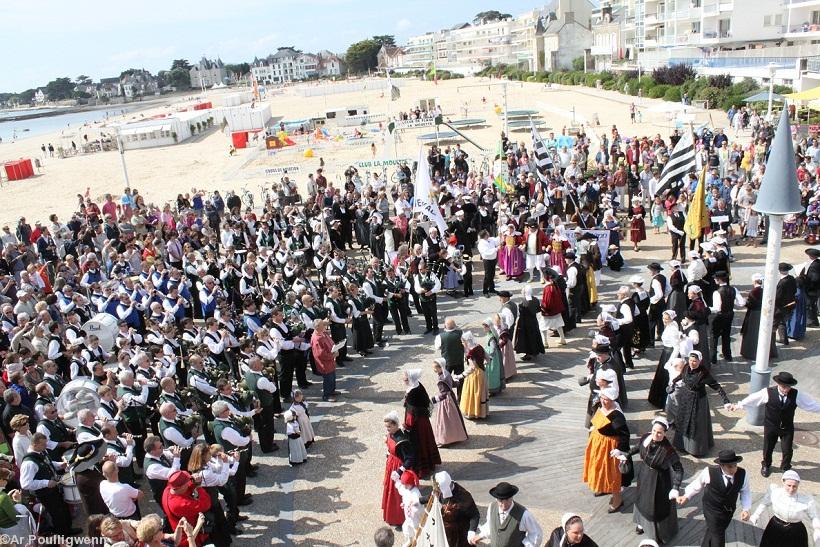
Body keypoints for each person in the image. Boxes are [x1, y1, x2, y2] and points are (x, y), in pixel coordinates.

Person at [731, 371, 820, 477]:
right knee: (768, 448)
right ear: (778, 384)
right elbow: (753, 399)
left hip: (786, 427)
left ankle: (785, 466)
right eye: (784, 387)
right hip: (771, 426)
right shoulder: (767, 392)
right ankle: (766, 465)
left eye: (788, 387)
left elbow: (811, 405)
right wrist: (739, 405)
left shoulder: (796, 394)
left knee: (787, 449)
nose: (786, 389)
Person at [623, 417, 683, 543]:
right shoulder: (646, 437)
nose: (656, 434)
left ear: (665, 433)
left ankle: (658, 533)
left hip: (659, 481)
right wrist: (627, 454)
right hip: (644, 475)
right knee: (641, 499)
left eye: (659, 432)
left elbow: (679, 469)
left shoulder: (668, 450)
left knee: (656, 506)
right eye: (654, 430)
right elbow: (638, 447)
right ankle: (641, 523)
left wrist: (676, 487)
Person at [677, 449, 751, 547]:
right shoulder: (709, 472)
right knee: (718, 534)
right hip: (711, 510)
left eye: (735, 465)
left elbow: (745, 491)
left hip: (728, 511)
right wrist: (686, 496)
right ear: (721, 465)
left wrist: (746, 509)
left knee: (714, 530)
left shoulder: (743, 474)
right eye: (729, 467)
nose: (733, 469)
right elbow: (697, 485)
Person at [669, 350, 730, 457]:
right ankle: (681, 445)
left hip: (698, 401)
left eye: (695, 361)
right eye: (691, 360)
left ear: (699, 361)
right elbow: (681, 376)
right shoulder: (686, 367)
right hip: (686, 398)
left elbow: (716, 386)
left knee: (696, 424)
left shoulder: (703, 373)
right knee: (683, 420)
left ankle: (696, 449)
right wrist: (673, 382)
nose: (692, 363)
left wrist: (725, 400)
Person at [582, 387, 630, 513]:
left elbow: (625, 435)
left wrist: (620, 450)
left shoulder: (617, 416)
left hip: (609, 447)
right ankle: (603, 487)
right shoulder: (600, 406)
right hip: (598, 443)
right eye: (602, 398)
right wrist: (593, 429)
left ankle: (617, 499)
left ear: (612, 399)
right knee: (598, 468)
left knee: (611, 473)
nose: (603, 401)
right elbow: (596, 420)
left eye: (606, 399)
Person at [750, 470, 820, 547]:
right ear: (783, 483)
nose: (791, 489)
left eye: (794, 486)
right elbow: (764, 503)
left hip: (796, 531)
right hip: (775, 527)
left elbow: (814, 516)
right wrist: (756, 515)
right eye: (789, 485)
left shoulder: (806, 500)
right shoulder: (775, 492)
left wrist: (817, 529)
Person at [469, 482, 542, 546]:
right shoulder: (492, 507)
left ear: (512, 497)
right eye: (500, 501)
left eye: (507, 500)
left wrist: (527, 545)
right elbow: (490, 525)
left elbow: (536, 533)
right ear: (496, 499)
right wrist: (481, 536)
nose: (504, 505)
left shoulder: (524, 514)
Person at [402, 368, 441, 478]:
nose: (404, 380)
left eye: (405, 379)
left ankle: (421, 469)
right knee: (425, 442)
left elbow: (411, 412)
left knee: (418, 444)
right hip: (423, 420)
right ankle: (430, 463)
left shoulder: (412, 392)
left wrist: (406, 426)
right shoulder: (417, 385)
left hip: (417, 423)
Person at [382, 411, 417, 527]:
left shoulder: (402, 441)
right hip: (391, 464)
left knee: (397, 494)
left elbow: (410, 458)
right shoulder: (391, 434)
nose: (387, 430)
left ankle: (398, 517)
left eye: (389, 427)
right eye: (386, 427)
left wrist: (399, 471)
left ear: (396, 425)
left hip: (398, 467)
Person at [161, 470, 212, 547]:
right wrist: (198, 487)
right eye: (187, 482)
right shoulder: (180, 504)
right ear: (181, 487)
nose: (189, 483)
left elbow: (184, 490)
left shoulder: (168, 490)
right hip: (189, 538)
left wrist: (192, 483)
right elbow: (206, 504)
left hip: (179, 533)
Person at [432, 471, 480, 547]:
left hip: (460, 534)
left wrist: (471, 531)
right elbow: (434, 497)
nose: (439, 491)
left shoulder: (463, 496)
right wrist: (419, 500)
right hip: (446, 534)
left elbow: (474, 515)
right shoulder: (442, 491)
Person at [709, 271, 744, 364]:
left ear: (719, 280)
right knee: (726, 335)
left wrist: (708, 308)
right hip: (729, 315)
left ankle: (713, 358)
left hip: (719, 316)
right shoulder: (734, 289)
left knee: (714, 336)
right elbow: (741, 303)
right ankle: (727, 355)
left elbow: (717, 308)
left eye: (716, 278)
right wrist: (731, 302)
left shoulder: (717, 292)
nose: (714, 280)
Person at [430, 359, 468, 447]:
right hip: (451, 397)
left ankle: (446, 439)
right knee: (454, 418)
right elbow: (454, 384)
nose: (434, 370)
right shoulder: (446, 373)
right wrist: (457, 380)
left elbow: (443, 395)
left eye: (435, 368)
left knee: (445, 420)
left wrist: (433, 400)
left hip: (446, 401)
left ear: (440, 367)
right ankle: (456, 435)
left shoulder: (442, 379)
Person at [741, 273, 776, 359]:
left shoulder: (754, 292)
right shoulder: (765, 290)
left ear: (754, 281)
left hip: (754, 314)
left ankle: (751, 352)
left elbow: (750, 304)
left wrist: (745, 302)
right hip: (763, 313)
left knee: (753, 333)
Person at [457, 332, 489, 420]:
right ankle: (482, 412)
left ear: (467, 341)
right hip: (482, 373)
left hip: (474, 376)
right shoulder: (479, 347)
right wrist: (483, 365)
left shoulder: (470, 353)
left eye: (463, 342)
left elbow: (472, 368)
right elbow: (488, 358)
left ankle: (473, 413)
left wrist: (461, 375)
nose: (462, 343)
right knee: (481, 393)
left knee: (473, 393)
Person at [514, 285, 545, 361]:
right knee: (534, 336)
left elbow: (521, 313)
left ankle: (528, 354)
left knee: (526, 338)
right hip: (533, 321)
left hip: (525, 323)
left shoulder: (523, 302)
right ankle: (535, 351)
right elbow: (538, 310)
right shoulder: (536, 300)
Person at [310, 319, 338, 402]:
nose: (325, 325)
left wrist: (336, 349)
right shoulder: (316, 339)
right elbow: (320, 354)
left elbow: (331, 342)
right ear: (318, 327)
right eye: (323, 324)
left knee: (332, 376)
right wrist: (332, 355)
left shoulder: (323, 333)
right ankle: (327, 395)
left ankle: (332, 391)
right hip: (325, 362)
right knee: (328, 379)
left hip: (330, 360)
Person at [539, 275, 566, 348]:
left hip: (549, 311)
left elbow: (547, 301)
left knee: (542, 327)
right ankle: (562, 339)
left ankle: (545, 343)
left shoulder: (548, 288)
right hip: (556, 309)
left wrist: (543, 307)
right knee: (559, 325)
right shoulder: (554, 285)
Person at [414, 261, 441, 334]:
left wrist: (431, 291)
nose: (419, 271)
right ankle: (429, 327)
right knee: (426, 314)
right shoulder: (417, 277)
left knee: (433, 314)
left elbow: (438, 285)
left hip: (431, 298)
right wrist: (421, 290)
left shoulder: (431, 274)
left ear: (425, 269)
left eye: (421, 269)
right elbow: (416, 288)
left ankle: (436, 328)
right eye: (419, 269)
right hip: (423, 299)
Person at [482, 319, 504, 395]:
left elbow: (493, 348)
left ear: (488, 327)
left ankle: (492, 390)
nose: (483, 329)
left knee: (491, 373)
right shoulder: (490, 335)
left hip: (492, 358)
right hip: (493, 356)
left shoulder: (491, 337)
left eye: (485, 327)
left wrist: (488, 356)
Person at [477, 230, 499, 296]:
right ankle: (485, 291)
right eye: (487, 233)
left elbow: (497, 240)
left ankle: (491, 289)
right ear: (485, 235)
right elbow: (487, 252)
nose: (488, 233)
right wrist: (496, 249)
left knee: (492, 274)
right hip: (487, 260)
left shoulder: (491, 239)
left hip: (493, 259)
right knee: (487, 276)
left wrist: (500, 234)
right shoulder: (481, 244)